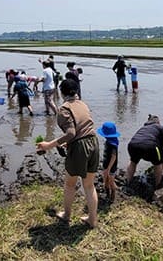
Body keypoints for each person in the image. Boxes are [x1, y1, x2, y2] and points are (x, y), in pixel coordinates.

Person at [36, 79, 100, 228]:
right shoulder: (83, 104)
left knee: (70, 184)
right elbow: (83, 129)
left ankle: (66, 215)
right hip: (93, 142)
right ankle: (92, 219)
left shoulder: (64, 109)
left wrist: (48, 145)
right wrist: (69, 142)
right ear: (76, 91)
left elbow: (71, 133)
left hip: (80, 147)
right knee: (89, 186)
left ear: (62, 92)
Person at [126, 114, 163, 188]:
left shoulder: (143, 128)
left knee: (133, 162)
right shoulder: (161, 128)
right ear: (158, 122)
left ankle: (128, 182)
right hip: (150, 146)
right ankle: (157, 184)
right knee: (158, 164)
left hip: (132, 145)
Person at [97, 121, 120, 202]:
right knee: (105, 180)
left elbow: (114, 156)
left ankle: (113, 194)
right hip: (106, 163)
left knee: (111, 181)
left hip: (111, 166)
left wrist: (108, 168)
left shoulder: (113, 144)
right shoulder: (108, 141)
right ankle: (107, 194)